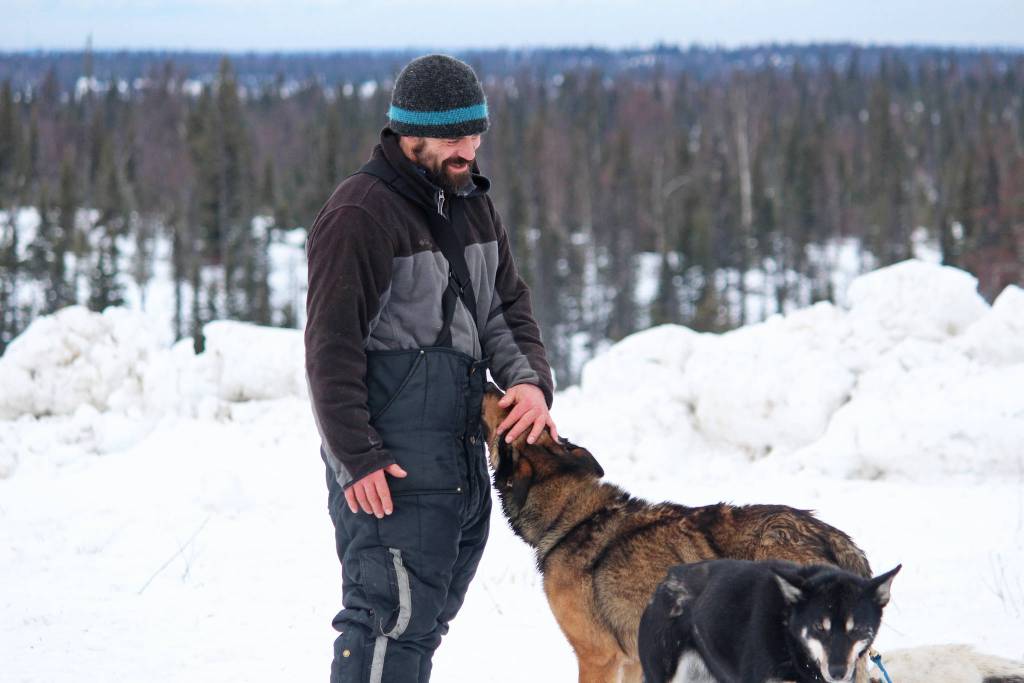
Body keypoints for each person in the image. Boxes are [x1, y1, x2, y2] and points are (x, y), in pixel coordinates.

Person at [304, 54, 558, 683]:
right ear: (408, 134)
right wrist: (356, 456)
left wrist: (527, 381)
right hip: (391, 466)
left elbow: (502, 306)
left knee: (423, 624)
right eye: (452, 138)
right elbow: (330, 348)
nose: (468, 149)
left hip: (460, 458)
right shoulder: (359, 215)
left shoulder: (469, 201)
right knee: (388, 621)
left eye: (475, 134)